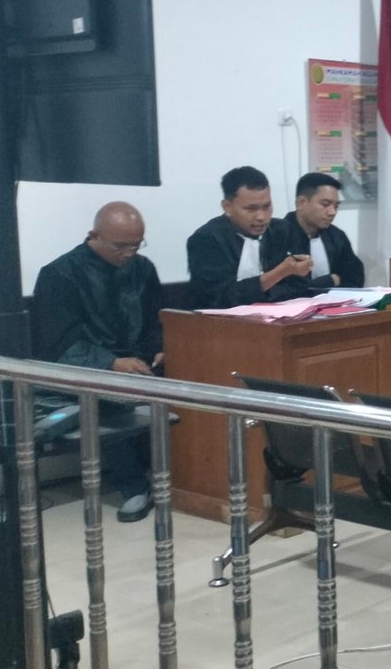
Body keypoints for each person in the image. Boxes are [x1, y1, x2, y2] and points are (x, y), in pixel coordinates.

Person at [32, 202, 163, 523]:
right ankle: (134, 487)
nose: (129, 253)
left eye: (136, 245)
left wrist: (160, 349)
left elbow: (155, 322)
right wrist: (112, 363)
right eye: (121, 246)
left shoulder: (143, 269)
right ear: (94, 236)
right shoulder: (59, 275)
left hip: (138, 362)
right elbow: (58, 345)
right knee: (104, 396)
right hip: (86, 366)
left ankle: (188, 479)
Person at [186, 166, 313, 309]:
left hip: (280, 316)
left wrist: (263, 295)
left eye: (267, 206)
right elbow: (221, 297)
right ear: (227, 207)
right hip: (219, 321)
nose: (261, 217)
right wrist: (280, 273)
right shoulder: (206, 240)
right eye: (251, 209)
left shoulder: (283, 231)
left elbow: (300, 286)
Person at [278, 172, 365, 288]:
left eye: (336, 206)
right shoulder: (277, 236)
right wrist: (330, 280)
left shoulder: (336, 236)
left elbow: (355, 278)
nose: (332, 212)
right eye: (325, 204)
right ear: (301, 203)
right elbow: (280, 288)